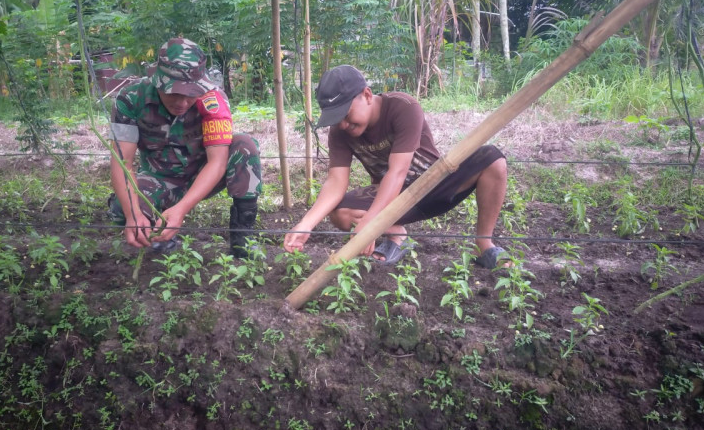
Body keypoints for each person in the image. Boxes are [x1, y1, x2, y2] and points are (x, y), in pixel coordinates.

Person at [283, 65, 508, 267]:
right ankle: (398, 235)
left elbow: (398, 171)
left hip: (435, 185)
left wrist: (372, 223)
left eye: (345, 114)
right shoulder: (340, 133)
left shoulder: (403, 106)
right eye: (335, 118)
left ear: (367, 95)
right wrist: (305, 225)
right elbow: (335, 182)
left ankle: (484, 243)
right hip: (394, 199)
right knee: (340, 213)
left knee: (492, 159)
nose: (342, 124)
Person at [108, 37, 262, 258]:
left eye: (190, 94)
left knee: (244, 145)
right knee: (123, 208)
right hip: (158, 180)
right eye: (173, 93)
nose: (181, 102)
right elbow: (123, 162)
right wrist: (133, 214)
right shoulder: (131, 98)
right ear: (158, 81)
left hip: (204, 176)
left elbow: (217, 162)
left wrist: (181, 210)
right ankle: (159, 235)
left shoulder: (213, 101)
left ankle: (243, 238)